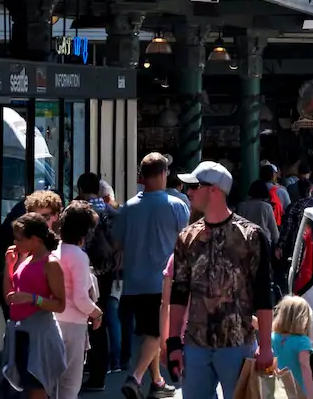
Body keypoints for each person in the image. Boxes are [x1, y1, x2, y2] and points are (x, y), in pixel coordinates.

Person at [166, 161, 275, 399]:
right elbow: (179, 290)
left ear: (214, 189)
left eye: (194, 186)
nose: (188, 192)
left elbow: (264, 295)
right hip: (195, 345)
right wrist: (173, 340)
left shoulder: (252, 236)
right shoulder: (186, 237)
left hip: (238, 344)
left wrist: (266, 346)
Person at [116, 153, 190, 399]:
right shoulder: (177, 205)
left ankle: (157, 382)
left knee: (150, 331)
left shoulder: (127, 207)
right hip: (163, 283)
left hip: (133, 282)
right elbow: (188, 244)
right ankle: (135, 377)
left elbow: (117, 243)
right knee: (156, 333)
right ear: (163, 173)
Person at [5, 213, 68, 399]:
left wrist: (32, 298)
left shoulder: (51, 264)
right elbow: (9, 297)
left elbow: (60, 304)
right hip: (20, 334)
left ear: (35, 240)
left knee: (37, 389)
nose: (15, 243)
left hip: (39, 337)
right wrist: (9, 267)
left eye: (19, 239)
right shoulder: (25, 260)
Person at [54, 201, 104, 399]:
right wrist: (97, 313)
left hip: (54, 320)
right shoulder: (79, 257)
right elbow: (80, 298)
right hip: (74, 324)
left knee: (55, 382)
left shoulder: (55, 252)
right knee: (70, 383)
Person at [75, 172, 120, 391]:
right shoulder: (110, 211)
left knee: (82, 317)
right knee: (100, 319)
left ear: (80, 187)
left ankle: (84, 368)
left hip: (85, 269)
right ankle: (100, 372)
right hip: (106, 270)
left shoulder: (78, 210)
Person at [272, 295, 313, 398]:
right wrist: (311, 394)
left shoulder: (273, 337)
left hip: (277, 389)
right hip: (298, 391)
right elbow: (305, 367)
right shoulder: (302, 341)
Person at [281, 175, 313, 257]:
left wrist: (280, 245)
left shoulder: (294, 206)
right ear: (311, 189)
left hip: (298, 245)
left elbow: (287, 227)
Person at [237, 180, 281, 254]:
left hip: (246, 243)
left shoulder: (241, 206)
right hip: (264, 243)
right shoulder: (267, 207)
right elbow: (273, 229)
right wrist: (278, 245)